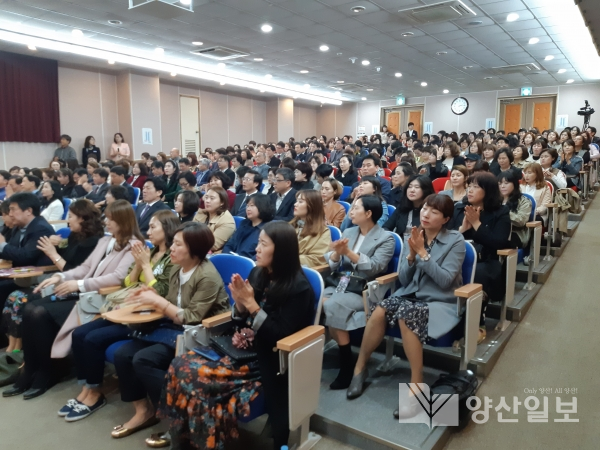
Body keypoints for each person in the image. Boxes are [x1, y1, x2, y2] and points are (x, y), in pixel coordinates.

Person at [157, 222, 312, 449]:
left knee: (200, 377)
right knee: (180, 364)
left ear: (281, 250)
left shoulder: (299, 288)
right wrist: (239, 304)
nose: (256, 248)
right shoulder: (258, 273)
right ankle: (183, 436)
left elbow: (279, 335)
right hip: (240, 347)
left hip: (268, 359)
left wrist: (250, 303)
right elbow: (240, 321)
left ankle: (209, 442)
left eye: (263, 244)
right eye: (258, 242)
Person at [2, 200, 142, 399]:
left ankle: (48, 371)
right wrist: (62, 276)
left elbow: (117, 278)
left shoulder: (133, 245)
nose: (106, 222)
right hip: (86, 294)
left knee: (40, 313)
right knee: (30, 307)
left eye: (111, 219)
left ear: (123, 221)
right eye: (106, 218)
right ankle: (31, 369)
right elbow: (85, 268)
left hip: (103, 299)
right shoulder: (106, 241)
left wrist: (79, 284)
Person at [346, 195, 465, 419]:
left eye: (435, 212)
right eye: (426, 209)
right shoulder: (414, 235)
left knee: (406, 314)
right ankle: (359, 369)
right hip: (410, 294)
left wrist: (422, 253)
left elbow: (445, 280)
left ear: (446, 218)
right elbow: (403, 277)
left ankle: (417, 384)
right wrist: (410, 256)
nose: (426, 214)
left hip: (439, 301)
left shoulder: (455, 241)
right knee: (380, 309)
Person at [111, 222, 230, 440]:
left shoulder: (206, 276)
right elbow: (168, 301)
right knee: (122, 355)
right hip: (174, 327)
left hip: (200, 334)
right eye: (172, 243)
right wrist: (147, 297)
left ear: (194, 249)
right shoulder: (176, 268)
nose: (171, 249)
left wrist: (157, 300)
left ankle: (179, 419)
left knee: (143, 360)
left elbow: (192, 317)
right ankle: (144, 411)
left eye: (177, 244)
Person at [57, 210, 179, 422]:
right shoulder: (147, 252)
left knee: (93, 339)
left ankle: (95, 394)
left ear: (167, 229)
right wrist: (140, 263)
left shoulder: (173, 258)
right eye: (148, 226)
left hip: (149, 316)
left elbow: (162, 291)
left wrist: (146, 266)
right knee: (80, 334)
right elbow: (127, 283)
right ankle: (87, 388)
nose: (148, 231)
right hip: (128, 307)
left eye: (153, 227)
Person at [1, 200, 104, 354]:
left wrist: (52, 253)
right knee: (14, 297)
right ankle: (12, 348)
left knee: (21, 300)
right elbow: (67, 258)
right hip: (59, 281)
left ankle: (21, 352)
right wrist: (59, 246)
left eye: (71, 216)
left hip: (76, 288)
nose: (68, 220)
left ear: (82, 218)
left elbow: (73, 271)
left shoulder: (93, 242)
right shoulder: (74, 236)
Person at [322, 195, 395, 389]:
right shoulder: (349, 231)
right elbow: (333, 263)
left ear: (369, 213)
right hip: (341, 283)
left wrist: (347, 253)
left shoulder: (386, 238)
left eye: (356, 208)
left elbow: (374, 267)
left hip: (365, 289)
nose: (351, 212)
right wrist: (337, 252)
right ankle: (345, 358)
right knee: (317, 301)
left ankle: (346, 364)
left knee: (331, 304)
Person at [448, 172, 511, 343]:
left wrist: (477, 224)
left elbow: (499, 242)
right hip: (458, 257)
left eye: (476, 187)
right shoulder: (459, 208)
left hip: (486, 260)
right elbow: (446, 237)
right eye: (469, 186)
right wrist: (462, 229)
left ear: (488, 191)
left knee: (478, 274)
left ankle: (477, 321)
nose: (470, 190)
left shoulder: (501, 212)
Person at [222, 193, 273, 260]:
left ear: (262, 207)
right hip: (232, 260)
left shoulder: (268, 229)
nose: (248, 209)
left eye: (252, 205)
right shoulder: (244, 223)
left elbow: (259, 256)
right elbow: (229, 245)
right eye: (247, 206)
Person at [289, 189, 331, 267]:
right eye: (296, 201)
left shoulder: (323, 232)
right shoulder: (290, 226)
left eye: (300, 202)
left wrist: (287, 258)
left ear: (312, 206)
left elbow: (317, 259)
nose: (295, 204)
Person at [193, 186, 235, 252]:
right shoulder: (202, 213)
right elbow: (190, 231)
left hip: (211, 256)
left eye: (212, 198)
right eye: (206, 197)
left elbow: (213, 245)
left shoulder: (227, 221)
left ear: (222, 202)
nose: (207, 201)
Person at [498, 170, 532, 249]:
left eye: (506, 183)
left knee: (498, 241)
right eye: (499, 184)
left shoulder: (524, 201)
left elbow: (521, 221)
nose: (502, 186)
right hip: (496, 231)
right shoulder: (495, 200)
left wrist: (503, 211)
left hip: (515, 233)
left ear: (515, 184)